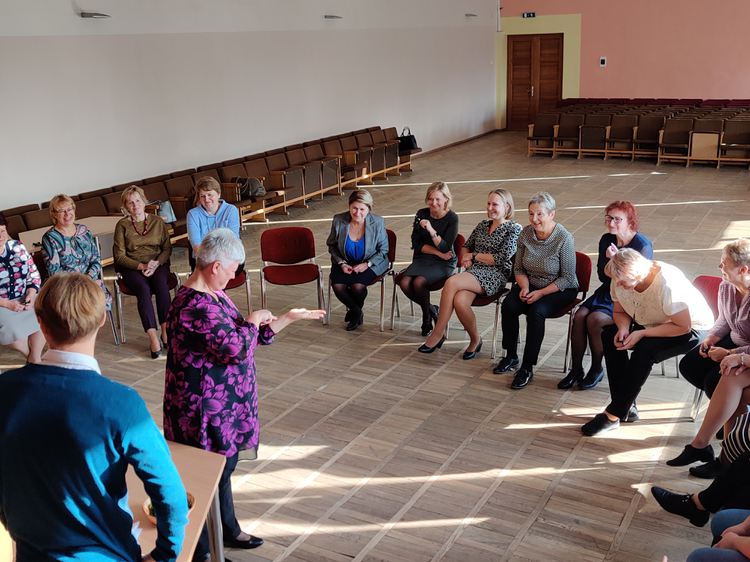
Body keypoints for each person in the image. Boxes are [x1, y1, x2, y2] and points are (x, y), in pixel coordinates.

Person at [0, 272, 188, 561]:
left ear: (39, 322)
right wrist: (164, 555)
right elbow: (171, 495)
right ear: (101, 320)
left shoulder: (5, 389)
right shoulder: (120, 403)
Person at [163, 228, 325, 561]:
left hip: (226, 404)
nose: (234, 275)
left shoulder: (214, 293)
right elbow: (236, 346)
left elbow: (245, 339)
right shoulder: (193, 304)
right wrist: (252, 320)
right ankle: (202, 550)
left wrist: (286, 319)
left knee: (224, 467)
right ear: (215, 266)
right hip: (203, 409)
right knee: (206, 477)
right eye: (233, 269)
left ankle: (227, 528)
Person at [581, 249, 714, 436]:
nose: (617, 285)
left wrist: (642, 333)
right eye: (616, 281)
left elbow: (683, 327)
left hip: (692, 328)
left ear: (637, 275)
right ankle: (627, 406)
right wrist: (623, 329)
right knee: (610, 336)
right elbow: (619, 311)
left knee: (645, 350)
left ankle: (614, 414)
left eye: (622, 282)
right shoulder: (620, 276)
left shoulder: (667, 284)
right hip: (653, 321)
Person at [665, 240, 750, 475]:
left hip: (745, 349)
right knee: (690, 365)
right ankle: (722, 420)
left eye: (724, 264)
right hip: (735, 341)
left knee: (718, 378)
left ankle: (716, 442)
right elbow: (724, 319)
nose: (719, 267)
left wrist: (731, 354)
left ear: (744, 269)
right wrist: (712, 337)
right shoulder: (727, 286)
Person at [559, 201, 653, 390]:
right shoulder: (606, 239)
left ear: (630, 221)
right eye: (609, 218)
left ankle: (596, 369)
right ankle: (576, 370)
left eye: (617, 219)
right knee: (579, 316)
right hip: (608, 290)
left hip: (630, 295)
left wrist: (615, 259)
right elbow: (603, 276)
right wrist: (611, 262)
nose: (611, 223)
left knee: (594, 320)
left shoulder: (642, 245)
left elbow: (640, 282)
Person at [419, 188, 521, 359]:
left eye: (495, 204)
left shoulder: (514, 228)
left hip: (495, 274)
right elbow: (466, 246)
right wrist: (466, 257)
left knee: (451, 282)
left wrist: (473, 256)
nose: (490, 208)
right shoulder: (483, 225)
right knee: (460, 301)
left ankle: (437, 334)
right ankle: (475, 340)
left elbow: (500, 258)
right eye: (488, 203)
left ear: (507, 207)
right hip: (474, 272)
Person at [494, 192, 578, 389]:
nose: (534, 219)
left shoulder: (564, 238)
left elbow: (567, 277)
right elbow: (518, 268)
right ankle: (511, 356)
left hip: (560, 287)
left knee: (536, 312)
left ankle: (527, 367)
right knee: (509, 305)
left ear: (552, 214)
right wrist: (524, 287)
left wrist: (540, 293)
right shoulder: (525, 233)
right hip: (530, 282)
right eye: (531, 214)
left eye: (540, 214)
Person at [113, 185, 172, 358]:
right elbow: (119, 256)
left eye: (138, 201)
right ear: (125, 206)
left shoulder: (157, 221)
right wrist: (142, 266)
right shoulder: (122, 225)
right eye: (130, 203)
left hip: (157, 263)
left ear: (144, 201)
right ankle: (153, 337)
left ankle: (166, 331)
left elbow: (167, 248)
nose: (135, 205)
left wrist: (156, 263)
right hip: (132, 266)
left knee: (161, 285)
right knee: (143, 289)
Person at [397, 181, 459, 336]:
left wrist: (431, 230)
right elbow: (416, 244)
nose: (433, 203)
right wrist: (437, 253)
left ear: (446, 199)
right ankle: (430, 309)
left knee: (418, 282)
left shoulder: (452, 218)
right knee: (404, 282)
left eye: (438, 199)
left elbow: (445, 248)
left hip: (444, 262)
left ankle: (426, 318)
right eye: (431, 199)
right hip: (424, 258)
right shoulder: (421, 213)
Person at [327, 189, 389, 331]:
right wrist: (341, 263)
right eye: (354, 208)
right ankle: (357, 311)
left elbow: (384, 250)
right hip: (344, 260)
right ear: (349, 206)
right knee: (338, 286)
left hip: (371, 262)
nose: (357, 213)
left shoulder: (378, 222)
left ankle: (354, 313)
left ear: (368, 209)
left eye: (362, 209)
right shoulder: (338, 220)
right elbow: (332, 245)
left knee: (357, 286)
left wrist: (367, 264)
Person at [42, 193, 112, 309]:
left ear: (74, 209)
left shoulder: (84, 231)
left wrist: (89, 279)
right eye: (61, 211)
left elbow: (96, 260)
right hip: (67, 287)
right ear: (54, 214)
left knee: (101, 299)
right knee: (84, 305)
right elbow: (55, 273)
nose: (67, 214)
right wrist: (81, 285)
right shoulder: (50, 238)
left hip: (90, 280)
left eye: (69, 209)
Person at [0, 213, 45, 363]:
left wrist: (31, 293)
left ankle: (35, 358)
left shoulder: (17, 247)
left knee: (46, 315)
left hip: (25, 298)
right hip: (2, 304)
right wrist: (7, 304)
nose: (0, 236)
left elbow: (33, 274)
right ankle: (32, 358)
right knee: (11, 330)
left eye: (2, 231)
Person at [186, 176, 241, 271]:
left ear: (219, 194)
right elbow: (196, 244)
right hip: (204, 260)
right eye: (202, 196)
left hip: (228, 257)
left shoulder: (231, 210)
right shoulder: (192, 214)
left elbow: (232, 240)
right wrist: (212, 263)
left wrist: (219, 262)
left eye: (209, 195)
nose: (206, 199)